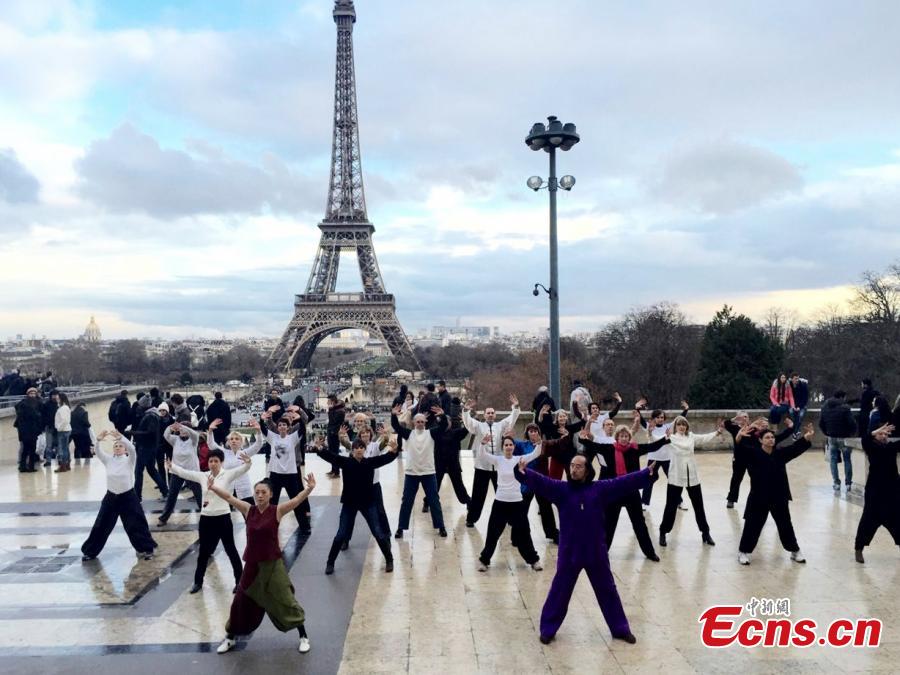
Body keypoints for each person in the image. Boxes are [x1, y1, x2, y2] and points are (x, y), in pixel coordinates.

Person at [514, 454, 657, 645]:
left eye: (579, 466)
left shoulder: (600, 489)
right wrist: (523, 472)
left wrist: (646, 473)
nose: (574, 469)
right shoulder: (561, 490)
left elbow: (623, 483)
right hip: (569, 552)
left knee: (607, 590)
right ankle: (548, 629)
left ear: (587, 470)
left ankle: (620, 628)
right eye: (572, 465)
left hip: (595, 551)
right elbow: (542, 482)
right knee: (560, 590)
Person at [211, 473, 316, 655]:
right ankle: (230, 638)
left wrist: (309, 488)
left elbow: (297, 500)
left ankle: (303, 636)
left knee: (286, 600)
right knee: (240, 602)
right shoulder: (248, 509)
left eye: (263, 492)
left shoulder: (277, 510)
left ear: (270, 494)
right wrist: (213, 487)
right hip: (252, 565)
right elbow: (229, 497)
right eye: (257, 492)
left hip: (273, 565)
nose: (259, 495)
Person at [166, 449, 253, 594]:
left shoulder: (227, 474)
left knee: (230, 550)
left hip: (223, 517)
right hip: (206, 518)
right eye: (211, 461)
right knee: (203, 553)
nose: (213, 464)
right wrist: (172, 466)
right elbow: (185, 473)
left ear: (221, 462)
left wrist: (248, 462)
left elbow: (243, 469)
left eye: (216, 461)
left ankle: (239, 581)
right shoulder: (203, 476)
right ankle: (198, 582)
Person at [579, 422, 667, 561]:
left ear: (629, 437)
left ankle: (649, 552)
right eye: (622, 436)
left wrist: (665, 440)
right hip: (614, 492)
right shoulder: (608, 449)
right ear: (617, 437)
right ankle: (602, 552)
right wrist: (582, 439)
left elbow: (651, 446)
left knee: (639, 524)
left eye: (626, 436)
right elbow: (593, 445)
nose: (624, 438)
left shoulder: (635, 449)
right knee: (609, 524)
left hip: (631, 492)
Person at [737, 424, 815, 565]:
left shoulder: (780, 453)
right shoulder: (753, 454)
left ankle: (795, 550)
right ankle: (743, 551)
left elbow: (794, 449)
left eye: (772, 437)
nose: (771, 439)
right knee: (752, 525)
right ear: (760, 440)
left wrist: (806, 438)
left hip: (779, 496)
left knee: (785, 524)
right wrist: (739, 437)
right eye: (767, 437)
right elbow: (740, 450)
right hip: (759, 497)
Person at [320, 437, 400, 574]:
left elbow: (385, 459)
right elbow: (331, 457)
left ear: (364, 450)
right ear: (352, 450)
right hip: (349, 503)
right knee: (341, 534)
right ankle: (330, 563)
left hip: (368, 503)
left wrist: (394, 451)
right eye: (356, 447)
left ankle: (389, 559)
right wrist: (319, 449)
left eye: (361, 447)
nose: (358, 449)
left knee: (378, 532)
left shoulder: (369, 463)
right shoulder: (346, 462)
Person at [81, 431, 157, 561]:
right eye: (115, 446)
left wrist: (121, 437)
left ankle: (146, 549)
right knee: (101, 524)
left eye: (120, 446)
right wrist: (98, 441)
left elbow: (133, 449)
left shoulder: (129, 460)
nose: (117, 448)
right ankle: (90, 551)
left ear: (125, 449)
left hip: (128, 497)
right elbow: (98, 453)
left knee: (136, 524)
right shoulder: (108, 460)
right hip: (111, 497)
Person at [477, 436, 544, 571]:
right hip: (500, 503)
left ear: (514, 447)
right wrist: (483, 443)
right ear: (503, 447)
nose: (508, 447)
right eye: (506, 445)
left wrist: (539, 443)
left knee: (524, 533)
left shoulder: (518, 459)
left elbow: (535, 454)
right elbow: (482, 454)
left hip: (517, 503)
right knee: (493, 533)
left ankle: (534, 560)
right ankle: (484, 560)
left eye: (510, 445)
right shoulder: (498, 460)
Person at [657, 416, 722, 547]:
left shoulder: (691, 436)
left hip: (692, 477)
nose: (682, 427)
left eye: (684, 424)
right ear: (675, 426)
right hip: (676, 477)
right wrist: (650, 433)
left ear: (687, 426)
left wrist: (717, 432)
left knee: (699, 506)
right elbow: (655, 441)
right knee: (670, 507)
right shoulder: (670, 438)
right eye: (679, 424)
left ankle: (705, 533)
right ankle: (663, 532)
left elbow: (704, 438)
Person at [391, 405, 449, 538]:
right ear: (413, 423)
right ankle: (401, 527)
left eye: (422, 422)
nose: (420, 424)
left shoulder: (431, 433)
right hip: (412, 473)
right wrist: (394, 415)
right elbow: (397, 427)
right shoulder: (409, 434)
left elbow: (443, 427)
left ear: (426, 423)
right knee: (407, 501)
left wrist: (442, 415)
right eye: (418, 421)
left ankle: (441, 526)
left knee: (434, 500)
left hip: (428, 473)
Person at [462, 395, 520, 527]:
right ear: (484, 415)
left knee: (504, 492)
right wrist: (465, 410)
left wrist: (515, 407)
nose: (490, 415)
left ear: (495, 415)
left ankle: (509, 518)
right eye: (488, 413)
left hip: (498, 467)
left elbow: (511, 419)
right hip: (482, 466)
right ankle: (471, 518)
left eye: (492, 413)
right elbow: (468, 422)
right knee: (478, 495)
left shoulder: (500, 426)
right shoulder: (478, 426)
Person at [337, 425, 394, 549]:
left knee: (380, 511)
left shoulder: (375, 446)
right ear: (359, 436)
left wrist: (385, 435)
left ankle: (386, 536)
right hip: (357, 487)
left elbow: (383, 444)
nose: (365, 436)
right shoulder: (354, 446)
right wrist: (341, 435)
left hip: (374, 484)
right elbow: (344, 442)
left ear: (371, 435)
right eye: (363, 434)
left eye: (367, 433)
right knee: (350, 516)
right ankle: (345, 539)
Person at [854, 423, 900, 563]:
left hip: (892, 492)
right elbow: (865, 440)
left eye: (886, 434)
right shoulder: (872, 447)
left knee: (897, 522)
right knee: (867, 522)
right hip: (875, 492)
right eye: (882, 434)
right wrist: (874, 431)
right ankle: (858, 549)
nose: (885, 436)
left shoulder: (891, 448)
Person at [638, 401, 690, 510]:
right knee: (649, 480)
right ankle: (644, 503)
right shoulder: (649, 426)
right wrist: (637, 409)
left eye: (662, 417)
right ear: (653, 418)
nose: (660, 419)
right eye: (658, 417)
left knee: (673, 480)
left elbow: (679, 419)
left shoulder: (669, 427)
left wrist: (686, 409)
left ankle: (679, 501)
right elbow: (641, 419)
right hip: (653, 458)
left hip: (667, 458)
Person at [157, 420, 205, 525]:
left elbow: (194, 433)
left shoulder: (193, 440)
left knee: (199, 495)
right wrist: (171, 427)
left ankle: (207, 516)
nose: (182, 431)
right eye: (180, 430)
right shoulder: (175, 440)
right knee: (172, 495)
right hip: (177, 472)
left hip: (192, 472)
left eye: (184, 429)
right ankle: (163, 518)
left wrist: (184, 427)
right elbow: (166, 434)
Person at [207, 419, 264, 505]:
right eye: (231, 439)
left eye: (237, 439)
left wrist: (259, 431)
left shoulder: (245, 453)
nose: (234, 441)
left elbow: (258, 444)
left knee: (249, 513)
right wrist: (210, 430)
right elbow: (211, 445)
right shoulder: (223, 453)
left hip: (243, 488)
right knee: (224, 513)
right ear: (228, 442)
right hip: (227, 487)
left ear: (241, 442)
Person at [819, 390, 857, 492]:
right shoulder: (845, 408)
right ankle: (848, 483)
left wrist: (827, 433)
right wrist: (852, 433)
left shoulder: (825, 408)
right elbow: (852, 423)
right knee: (847, 460)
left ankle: (836, 483)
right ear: (842, 397)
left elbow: (821, 423)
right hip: (844, 437)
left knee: (833, 460)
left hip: (831, 437)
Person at [130, 402, 170, 501]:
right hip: (150, 447)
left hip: (146, 448)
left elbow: (150, 432)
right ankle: (165, 491)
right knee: (151, 470)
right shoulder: (152, 415)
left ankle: (138, 496)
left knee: (139, 471)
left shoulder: (150, 416)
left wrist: (133, 433)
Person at [14, 387, 43, 472]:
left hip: (29, 431)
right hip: (29, 431)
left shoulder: (23, 404)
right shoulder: (28, 404)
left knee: (27, 449)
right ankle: (29, 466)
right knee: (29, 449)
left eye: (34, 393)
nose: (33, 395)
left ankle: (25, 466)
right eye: (31, 393)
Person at [325, 394, 346, 478]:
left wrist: (330, 410)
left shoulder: (340, 411)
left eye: (328, 401)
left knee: (335, 452)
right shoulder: (335, 409)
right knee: (331, 452)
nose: (327, 403)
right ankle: (333, 469)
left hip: (335, 433)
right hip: (331, 431)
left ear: (332, 401)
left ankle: (337, 472)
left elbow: (333, 421)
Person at [53, 392, 72, 473]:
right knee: (66, 448)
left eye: (58, 398)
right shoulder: (65, 407)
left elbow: (64, 420)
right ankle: (67, 464)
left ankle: (63, 466)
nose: (57, 400)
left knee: (63, 449)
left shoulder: (63, 408)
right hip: (66, 429)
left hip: (63, 430)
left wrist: (59, 428)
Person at [41, 389, 59, 467]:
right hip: (49, 427)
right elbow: (43, 416)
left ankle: (59, 459)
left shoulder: (60, 404)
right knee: (49, 445)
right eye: (53, 395)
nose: (55, 397)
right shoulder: (46, 405)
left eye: (56, 395)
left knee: (58, 445)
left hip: (58, 427)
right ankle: (48, 460)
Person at [789, 373, 809, 437]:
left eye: (798, 378)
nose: (797, 380)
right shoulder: (789, 385)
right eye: (795, 379)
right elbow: (789, 397)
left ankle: (795, 432)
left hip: (802, 405)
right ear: (792, 379)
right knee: (791, 412)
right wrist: (794, 406)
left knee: (800, 415)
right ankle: (797, 430)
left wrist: (799, 407)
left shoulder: (803, 385)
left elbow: (805, 398)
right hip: (792, 405)